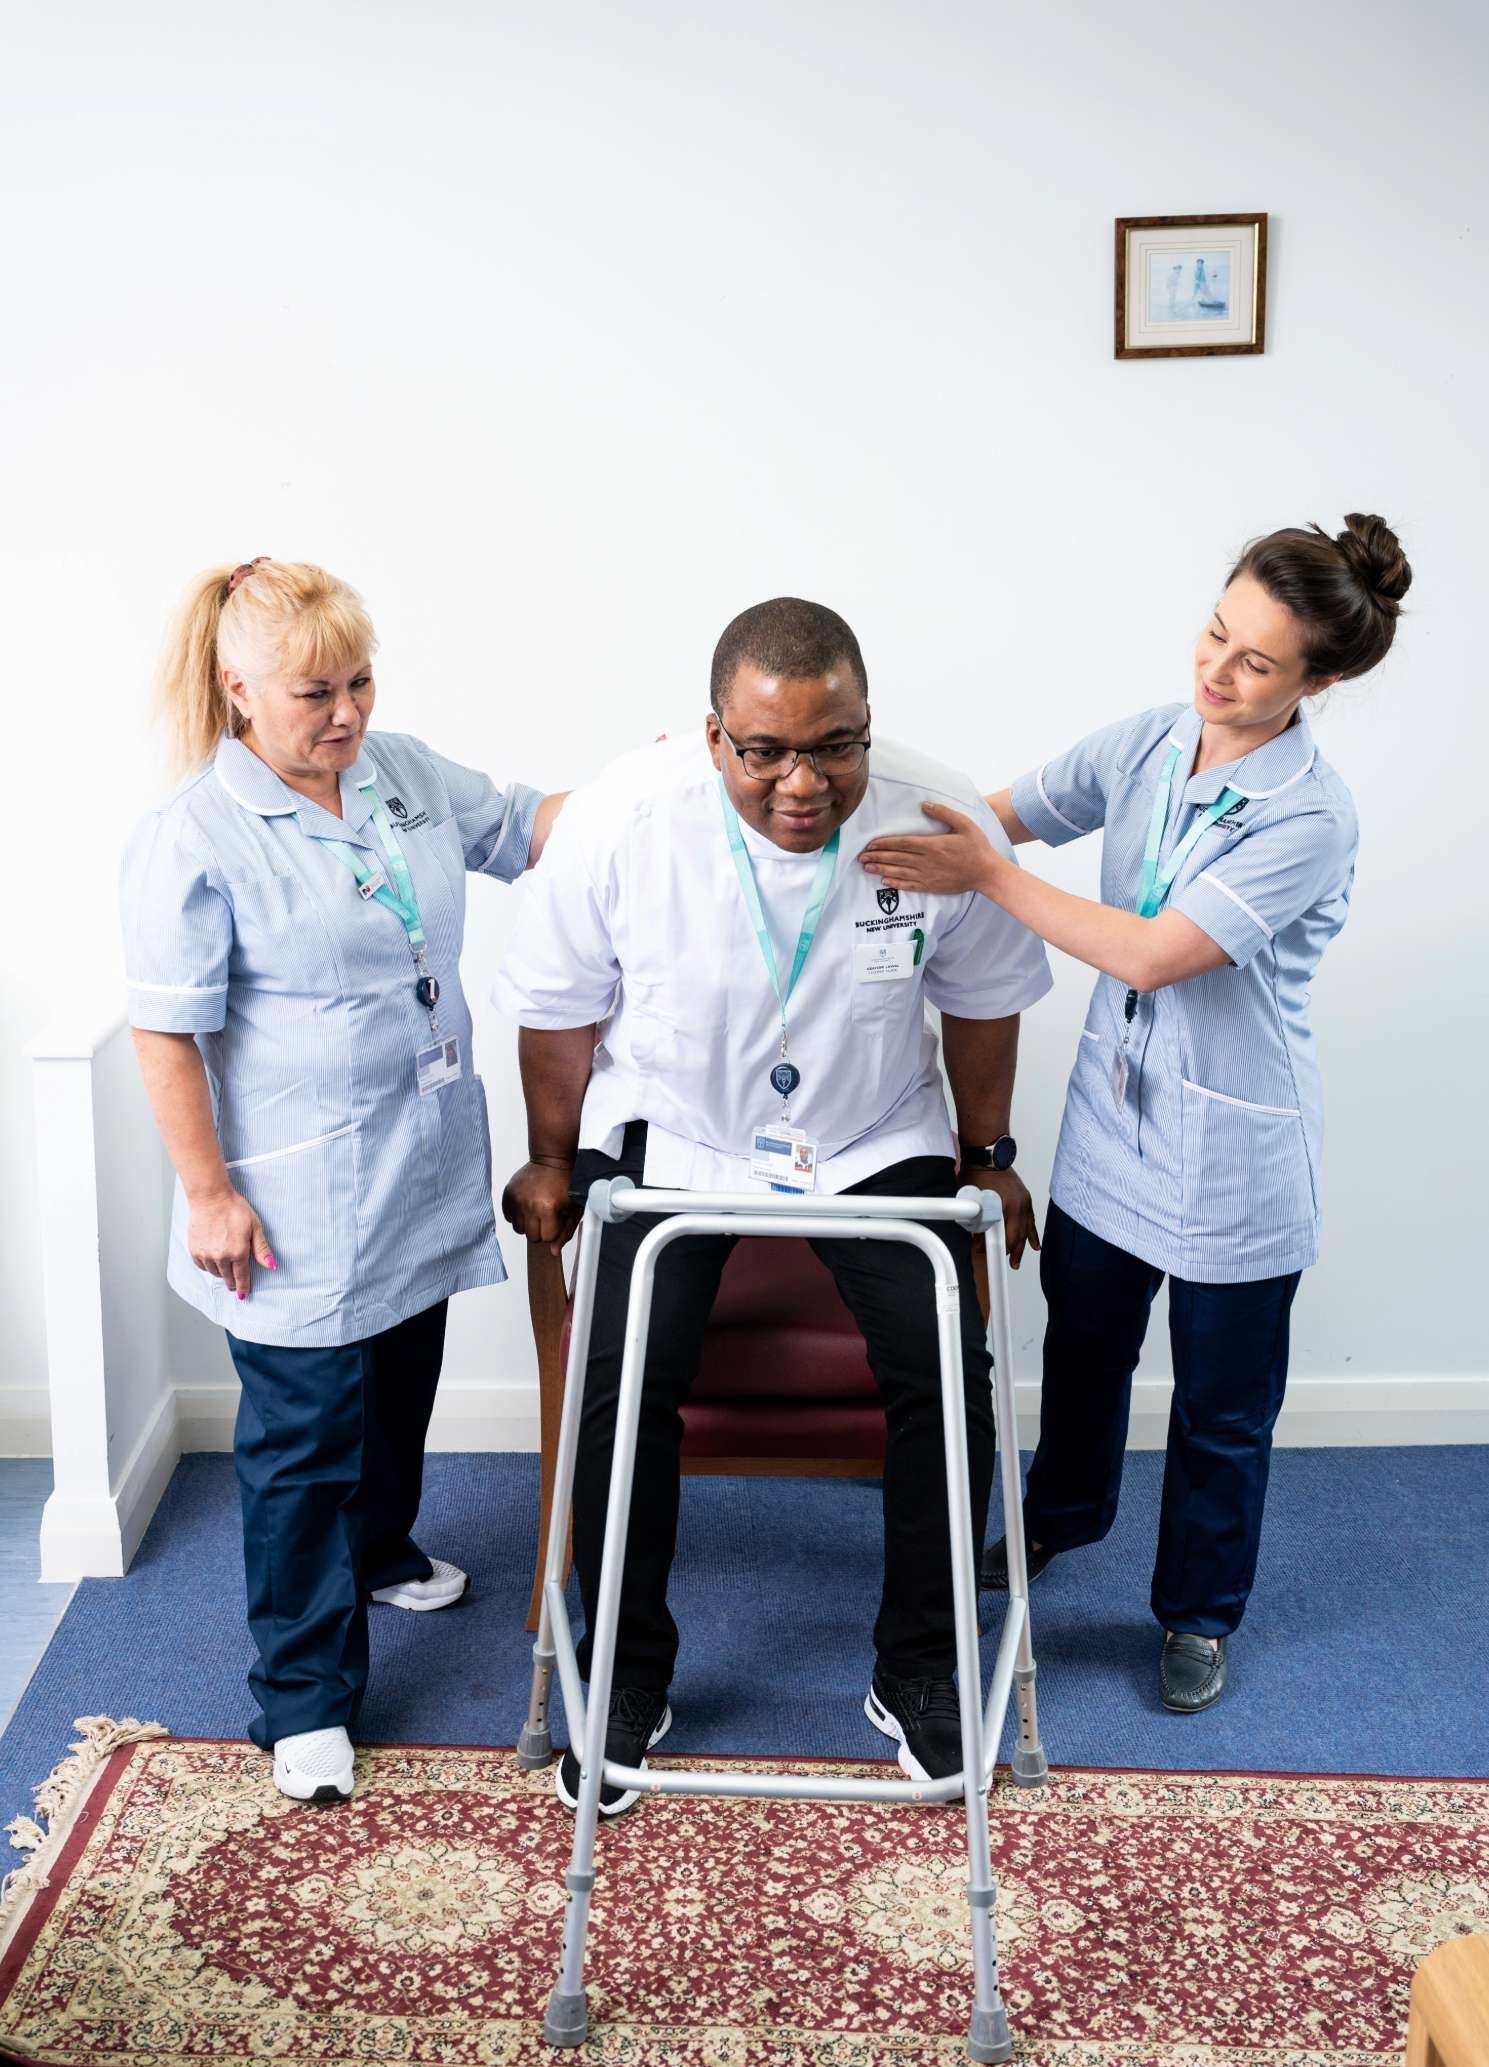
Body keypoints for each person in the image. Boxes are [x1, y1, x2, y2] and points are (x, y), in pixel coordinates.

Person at [498, 597, 1052, 1812]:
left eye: (835, 746)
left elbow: (983, 992)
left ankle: (916, 1672)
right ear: (713, 739)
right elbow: (556, 1006)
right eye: (766, 752)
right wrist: (551, 1159)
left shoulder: (934, 814)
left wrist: (988, 1151)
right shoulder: (622, 821)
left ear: (867, 727)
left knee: (946, 1378)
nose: (803, 783)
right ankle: (627, 1674)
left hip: (870, 1128)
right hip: (679, 1127)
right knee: (620, 1375)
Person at [861, 516, 1411, 1713]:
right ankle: (1061, 1520)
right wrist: (846, 793)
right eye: (1217, 632)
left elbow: (1159, 953)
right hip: (1116, 1128)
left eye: (1256, 663)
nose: (1217, 670)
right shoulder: (1152, 742)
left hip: (1236, 1150)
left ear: (1316, 681)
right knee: (1085, 1348)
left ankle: (1198, 1613)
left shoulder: (1310, 815)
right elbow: (992, 811)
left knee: (1222, 1407)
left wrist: (993, 883)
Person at [122, 558, 564, 1803]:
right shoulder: (193, 838)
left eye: (360, 681)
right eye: (316, 691)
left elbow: (531, 826)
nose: (347, 713)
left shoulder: (403, 773)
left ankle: (380, 1551)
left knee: (397, 1386)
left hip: (415, 1160)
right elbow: (167, 1033)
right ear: (238, 690)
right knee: (304, 1442)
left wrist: (657, 783)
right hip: (290, 1192)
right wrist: (208, 1193)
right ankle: (305, 1699)